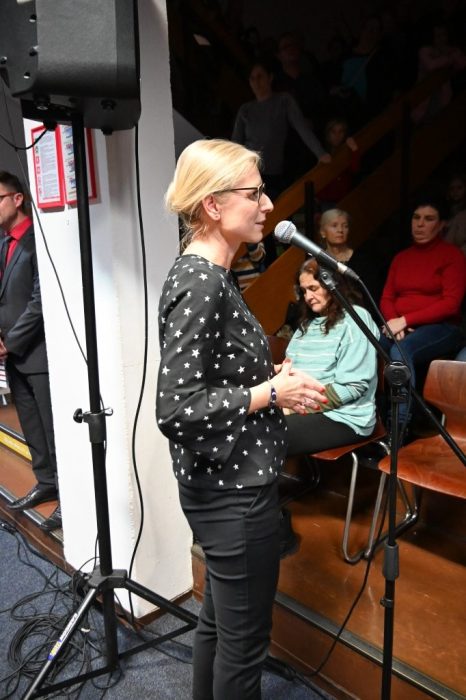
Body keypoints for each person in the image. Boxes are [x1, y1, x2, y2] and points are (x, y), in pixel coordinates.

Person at [156, 138, 326, 700]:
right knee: (244, 644)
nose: (268, 205)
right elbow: (177, 408)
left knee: (220, 624)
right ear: (213, 204)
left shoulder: (211, 274)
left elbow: (217, 376)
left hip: (225, 482)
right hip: (233, 492)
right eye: (254, 194)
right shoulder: (201, 282)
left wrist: (270, 382)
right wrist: (268, 392)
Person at [0, 172, 60, 531]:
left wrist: (10, 343)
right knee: (33, 428)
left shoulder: (37, 241)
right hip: (14, 356)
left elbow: (40, 301)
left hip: (37, 353)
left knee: (53, 430)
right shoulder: (4, 243)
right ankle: (46, 482)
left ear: (17, 199)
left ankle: (69, 498)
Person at [379, 197, 466, 433]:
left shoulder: (452, 255)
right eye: (416, 218)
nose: (420, 224)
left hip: (442, 327)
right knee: (373, 345)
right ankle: (372, 420)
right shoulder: (401, 257)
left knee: (401, 350)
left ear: (442, 224)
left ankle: (398, 427)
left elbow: (451, 304)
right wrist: (395, 323)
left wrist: (405, 320)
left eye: (429, 219)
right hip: (401, 326)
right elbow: (387, 297)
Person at [284, 257, 380, 456]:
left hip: (344, 417)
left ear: (331, 285)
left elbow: (352, 387)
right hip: (305, 408)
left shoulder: (355, 319)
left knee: (263, 434)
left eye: (313, 288)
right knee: (244, 424)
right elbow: (289, 370)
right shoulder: (306, 325)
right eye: (303, 291)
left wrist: (295, 407)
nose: (308, 297)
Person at [231, 59, 330, 201]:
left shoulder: (283, 100)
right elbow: (235, 145)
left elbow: (302, 128)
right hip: (247, 172)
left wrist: (321, 153)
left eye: (260, 76)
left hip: (273, 174)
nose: (256, 82)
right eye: (252, 78)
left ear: (270, 77)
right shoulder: (245, 109)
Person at [317, 117, 360, 212]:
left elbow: (354, 169)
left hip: (344, 200)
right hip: (326, 202)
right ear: (328, 134)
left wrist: (354, 150)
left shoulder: (346, 151)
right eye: (333, 132)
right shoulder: (321, 151)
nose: (337, 135)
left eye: (341, 132)